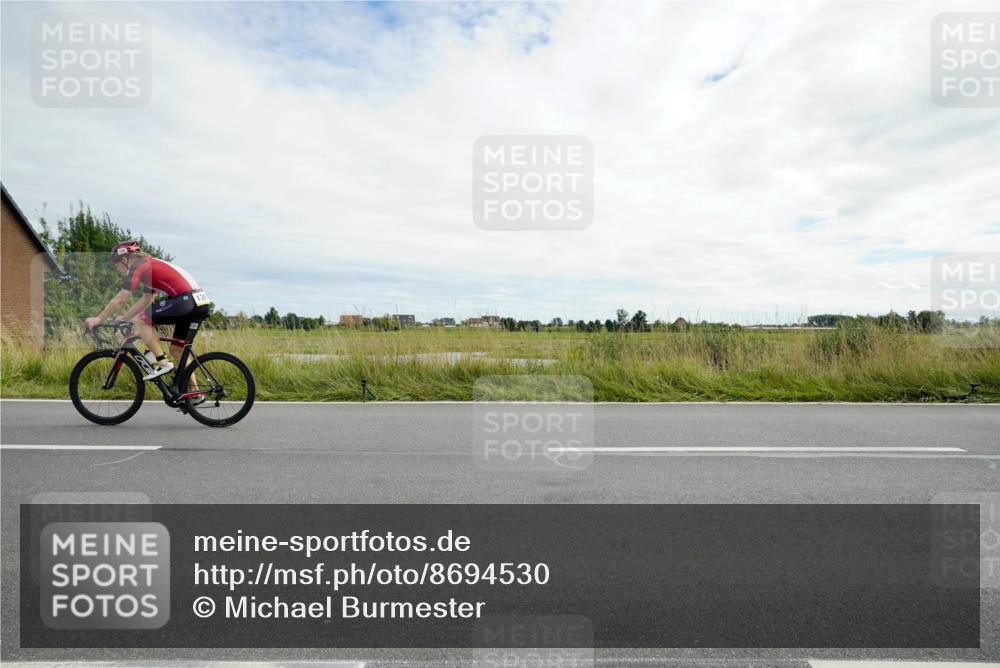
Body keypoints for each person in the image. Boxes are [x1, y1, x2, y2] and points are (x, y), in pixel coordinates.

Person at [85, 240, 212, 381]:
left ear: (125, 259)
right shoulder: (149, 265)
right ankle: (196, 395)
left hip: (185, 301)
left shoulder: (138, 265)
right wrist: (124, 318)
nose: (117, 269)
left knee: (141, 320)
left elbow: (121, 298)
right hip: (199, 303)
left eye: (117, 265)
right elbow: (147, 298)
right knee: (177, 350)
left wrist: (98, 319)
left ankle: (163, 363)